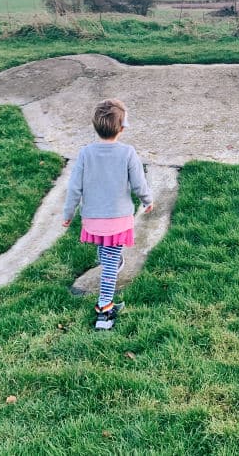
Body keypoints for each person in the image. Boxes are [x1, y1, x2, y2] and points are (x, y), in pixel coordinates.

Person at [63, 99, 152, 330]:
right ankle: (104, 311)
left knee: (107, 253)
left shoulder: (85, 153)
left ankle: (112, 262)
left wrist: (68, 214)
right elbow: (139, 183)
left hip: (93, 219)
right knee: (111, 266)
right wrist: (147, 201)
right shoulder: (127, 153)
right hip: (118, 220)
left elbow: (74, 188)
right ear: (122, 128)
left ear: (95, 126)